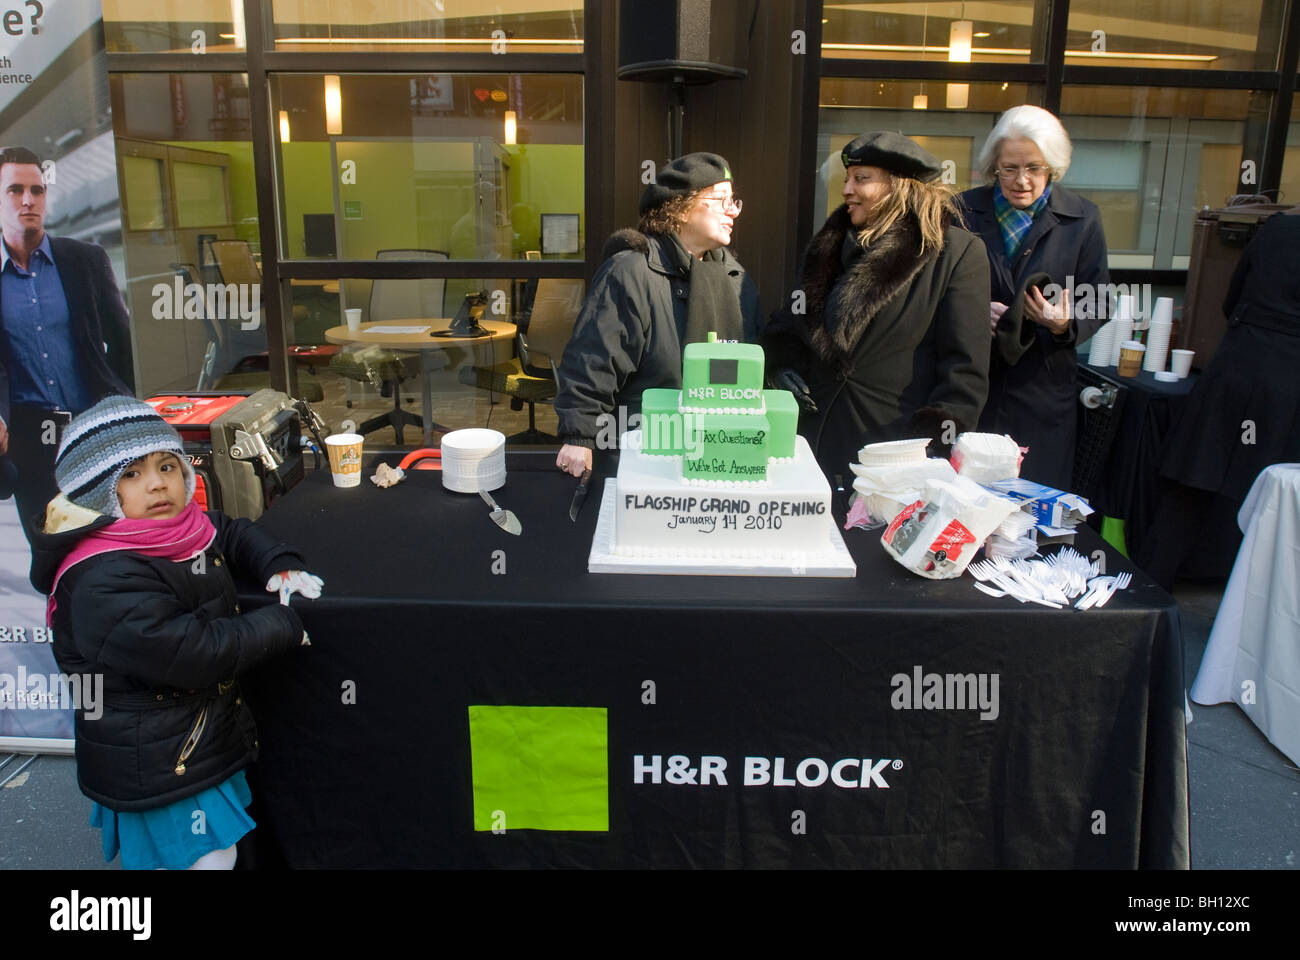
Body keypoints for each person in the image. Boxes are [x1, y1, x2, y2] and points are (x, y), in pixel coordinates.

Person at [28, 396, 321, 870]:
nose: (157, 483)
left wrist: (277, 564)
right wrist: (285, 622)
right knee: (208, 858)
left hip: (191, 737)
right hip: (159, 759)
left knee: (213, 853)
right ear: (96, 491)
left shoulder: (173, 529)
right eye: (131, 474)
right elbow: (194, 653)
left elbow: (226, 530)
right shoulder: (101, 578)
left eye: (166, 466)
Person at [765, 131, 990, 481]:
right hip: (813, 446)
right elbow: (793, 320)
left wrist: (930, 449)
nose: (846, 190)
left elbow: (964, 372)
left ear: (900, 186)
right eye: (846, 179)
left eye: (861, 179)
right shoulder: (827, 247)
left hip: (894, 453)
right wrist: (780, 365)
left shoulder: (957, 254)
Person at [554, 152, 759, 476]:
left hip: (717, 452)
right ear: (680, 206)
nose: (732, 210)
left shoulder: (733, 278)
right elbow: (593, 357)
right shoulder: (630, 272)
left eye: (734, 201)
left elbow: (747, 361)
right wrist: (580, 434)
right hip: (640, 452)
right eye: (721, 199)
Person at [957, 106, 1109, 491]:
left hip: (1042, 388)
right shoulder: (961, 211)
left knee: (1032, 512)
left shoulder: (1082, 218)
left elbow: (1100, 298)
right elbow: (932, 288)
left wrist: (1063, 322)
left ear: (1052, 168)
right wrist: (972, 311)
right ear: (994, 166)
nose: (1021, 180)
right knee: (964, 503)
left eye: (1034, 168)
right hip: (974, 384)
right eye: (1009, 168)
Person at [0, 145, 133, 540]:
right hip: (30, 443)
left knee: (114, 543)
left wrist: (126, 410)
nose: (28, 200)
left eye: (37, 190)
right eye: (15, 189)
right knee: (53, 556)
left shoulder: (84, 260)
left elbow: (121, 342)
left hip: (93, 430)